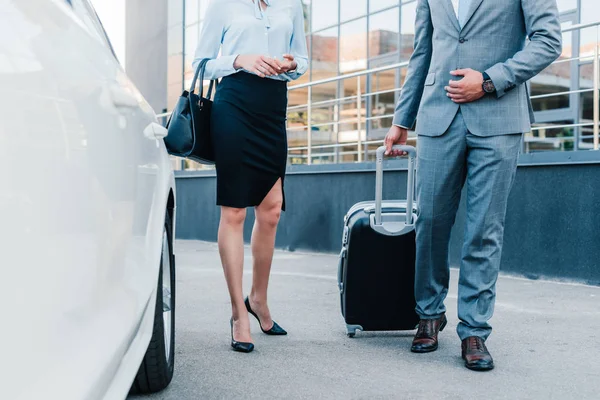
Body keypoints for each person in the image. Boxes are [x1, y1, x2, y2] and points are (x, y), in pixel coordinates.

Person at [384, 0, 561, 370]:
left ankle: (475, 329)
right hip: (436, 114)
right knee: (430, 220)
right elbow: (423, 50)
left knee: (484, 228)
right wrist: (402, 117)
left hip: (499, 114)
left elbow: (547, 41)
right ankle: (429, 313)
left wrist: (490, 80)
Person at [192, 0, 308, 353]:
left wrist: (289, 64)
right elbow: (201, 64)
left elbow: (302, 61)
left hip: (273, 107)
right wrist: (240, 60)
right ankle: (237, 314)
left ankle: (258, 299)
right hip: (234, 106)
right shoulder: (222, 5)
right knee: (235, 210)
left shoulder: (291, 5)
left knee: (271, 209)